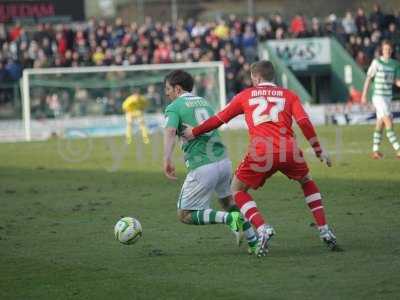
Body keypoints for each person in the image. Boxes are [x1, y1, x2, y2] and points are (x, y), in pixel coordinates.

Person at [183, 61, 338, 257]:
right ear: (273, 77)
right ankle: (324, 229)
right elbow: (304, 122)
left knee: (237, 189)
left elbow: (220, 119)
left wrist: (194, 131)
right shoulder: (289, 95)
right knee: (306, 181)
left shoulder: (245, 95)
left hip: (261, 151)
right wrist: (317, 149)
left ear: (256, 77)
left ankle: (262, 228)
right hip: (289, 149)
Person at [163, 70, 258, 252]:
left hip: (202, 165)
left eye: (168, 89)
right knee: (227, 202)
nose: (167, 93)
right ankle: (253, 240)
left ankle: (228, 220)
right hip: (223, 162)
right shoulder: (204, 102)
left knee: (185, 214)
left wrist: (166, 159)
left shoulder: (175, 106)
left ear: (177, 88)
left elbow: (169, 131)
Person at [361, 40, 400, 159]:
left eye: (389, 49)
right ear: (382, 51)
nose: (387, 51)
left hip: (388, 97)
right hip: (378, 97)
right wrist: (364, 95)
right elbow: (368, 78)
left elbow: (396, 81)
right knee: (389, 122)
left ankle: (375, 151)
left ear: (391, 51)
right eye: (385, 49)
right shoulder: (376, 62)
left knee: (380, 123)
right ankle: (398, 149)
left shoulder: (395, 64)